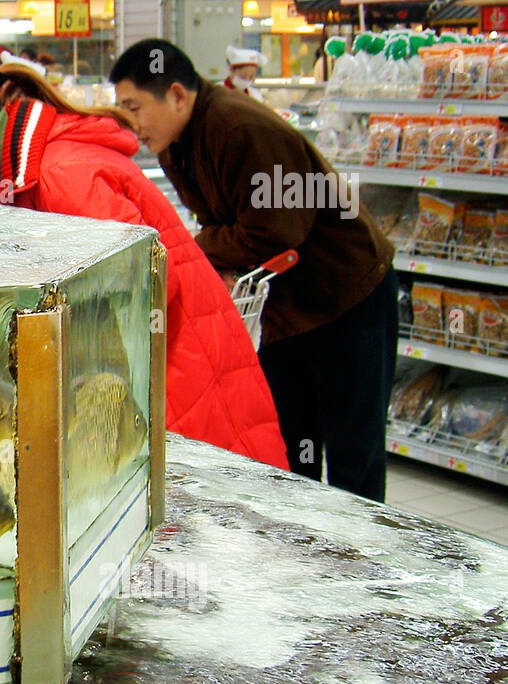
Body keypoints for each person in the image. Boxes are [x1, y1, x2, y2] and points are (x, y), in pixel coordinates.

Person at [0, 56, 289, 470]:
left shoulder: (59, 175)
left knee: (228, 499)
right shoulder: (18, 174)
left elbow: (148, 281)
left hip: (181, 365)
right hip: (162, 361)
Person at [111, 38, 397, 501]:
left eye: (135, 107)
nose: (133, 123)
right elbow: (223, 222)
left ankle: (361, 564)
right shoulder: (177, 145)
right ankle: (306, 553)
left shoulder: (239, 126)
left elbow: (274, 231)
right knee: (291, 448)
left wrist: (195, 249)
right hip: (287, 309)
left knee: (354, 454)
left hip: (347, 297)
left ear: (178, 95)